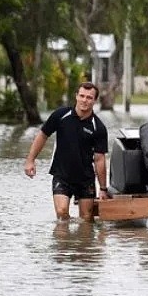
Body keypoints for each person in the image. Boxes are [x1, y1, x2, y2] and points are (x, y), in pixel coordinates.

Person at [24, 81, 109, 221]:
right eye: (82, 96)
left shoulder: (98, 127)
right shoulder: (60, 115)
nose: (84, 100)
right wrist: (30, 160)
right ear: (76, 96)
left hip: (85, 179)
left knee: (86, 220)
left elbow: (99, 159)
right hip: (62, 175)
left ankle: (81, 242)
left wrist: (103, 188)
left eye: (89, 97)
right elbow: (42, 135)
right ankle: (66, 241)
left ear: (94, 100)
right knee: (62, 214)